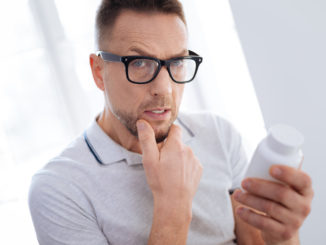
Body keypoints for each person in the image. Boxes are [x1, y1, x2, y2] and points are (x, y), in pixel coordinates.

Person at [28, 0, 314, 244]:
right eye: (139, 63)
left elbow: (256, 239)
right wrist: (172, 208)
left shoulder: (219, 135)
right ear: (99, 71)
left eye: (176, 62)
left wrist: (284, 236)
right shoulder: (58, 188)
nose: (164, 89)